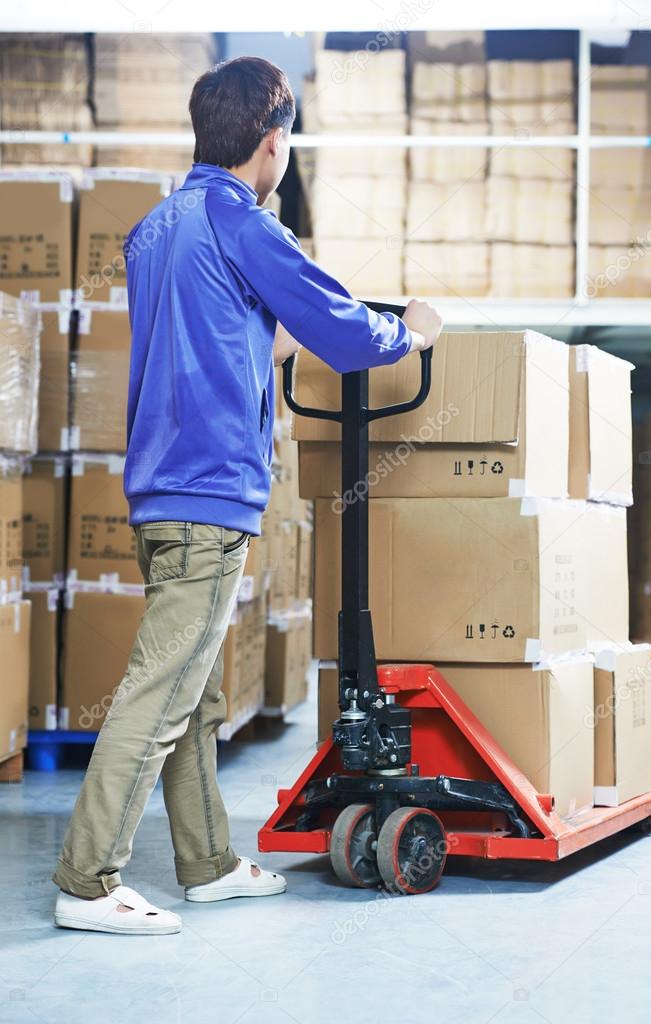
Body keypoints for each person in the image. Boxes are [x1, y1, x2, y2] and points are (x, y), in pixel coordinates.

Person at [53, 56, 442, 935]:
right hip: (211, 487)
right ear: (274, 142)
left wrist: (261, 348)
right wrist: (409, 334)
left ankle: (207, 863)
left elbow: (212, 333)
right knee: (160, 694)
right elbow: (341, 329)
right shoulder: (243, 221)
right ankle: (85, 880)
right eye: (287, 141)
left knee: (192, 691)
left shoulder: (156, 228)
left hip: (159, 484)